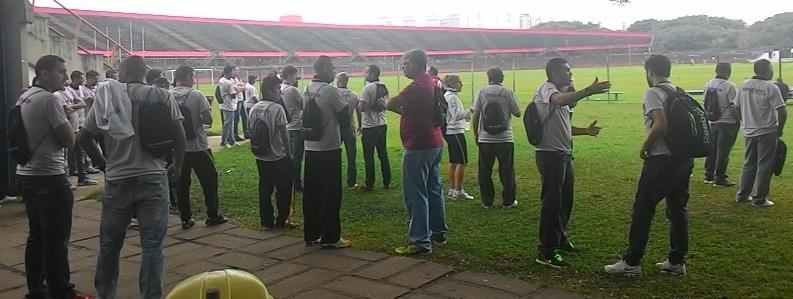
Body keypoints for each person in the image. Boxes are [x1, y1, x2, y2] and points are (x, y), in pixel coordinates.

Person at [80, 55, 186, 298]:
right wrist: (177, 165)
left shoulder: (106, 96)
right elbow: (179, 136)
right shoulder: (161, 95)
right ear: (143, 72)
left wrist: (103, 164)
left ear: (124, 72)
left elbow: (84, 138)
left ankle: (106, 294)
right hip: (153, 176)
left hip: (118, 179)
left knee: (109, 245)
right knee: (152, 246)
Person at [604, 54, 692, 275]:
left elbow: (660, 124)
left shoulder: (654, 92)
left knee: (643, 209)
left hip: (661, 159)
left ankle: (631, 262)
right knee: (677, 209)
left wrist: (645, 145)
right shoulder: (679, 91)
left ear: (650, 71)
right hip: (683, 158)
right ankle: (676, 261)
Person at [16, 55, 91, 299]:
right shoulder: (49, 100)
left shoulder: (25, 96)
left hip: (27, 174)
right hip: (49, 175)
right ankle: (62, 291)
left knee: (37, 235)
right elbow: (70, 140)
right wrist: (68, 117)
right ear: (44, 73)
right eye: (61, 71)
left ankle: (36, 290)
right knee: (57, 239)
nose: (66, 77)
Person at [534, 58, 607, 269]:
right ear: (555, 73)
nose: (571, 73)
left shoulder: (562, 99)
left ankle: (560, 238)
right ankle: (546, 251)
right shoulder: (547, 89)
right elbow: (559, 100)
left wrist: (585, 131)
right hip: (550, 156)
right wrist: (587, 91)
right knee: (552, 204)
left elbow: (565, 126)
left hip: (563, 155)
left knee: (565, 200)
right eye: (567, 71)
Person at [387, 49, 447, 255]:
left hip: (418, 145)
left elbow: (391, 103)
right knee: (433, 189)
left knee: (416, 193)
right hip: (434, 141)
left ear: (416, 64)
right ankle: (437, 231)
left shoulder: (418, 85)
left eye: (405, 63)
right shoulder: (431, 82)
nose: (403, 67)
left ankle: (420, 240)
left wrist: (398, 109)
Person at [302, 56, 351, 249]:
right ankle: (331, 237)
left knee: (312, 193)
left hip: (311, 148)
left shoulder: (307, 89)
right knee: (331, 194)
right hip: (329, 148)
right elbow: (345, 117)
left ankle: (311, 233)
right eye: (331, 68)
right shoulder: (331, 91)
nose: (333, 71)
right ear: (322, 68)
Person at [170, 66, 227, 229]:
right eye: (193, 77)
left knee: (182, 184)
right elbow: (208, 119)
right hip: (199, 146)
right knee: (209, 182)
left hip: (178, 149)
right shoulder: (197, 95)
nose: (194, 80)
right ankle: (213, 215)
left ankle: (185, 218)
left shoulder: (168, 95)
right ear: (188, 76)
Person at [734, 59, 787, 207]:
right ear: (765, 70)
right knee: (764, 164)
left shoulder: (743, 85)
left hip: (749, 131)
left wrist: (744, 121)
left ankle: (743, 195)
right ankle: (759, 198)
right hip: (766, 130)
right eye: (771, 69)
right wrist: (780, 128)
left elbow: (735, 106)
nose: (772, 71)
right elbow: (782, 110)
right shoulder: (770, 87)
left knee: (749, 163)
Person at [249, 72, 297, 229]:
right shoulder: (277, 109)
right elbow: (284, 135)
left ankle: (266, 221)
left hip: (261, 156)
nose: (280, 92)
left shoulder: (254, 108)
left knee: (264, 189)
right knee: (283, 190)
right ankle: (282, 219)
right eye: (278, 89)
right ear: (269, 90)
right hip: (278, 157)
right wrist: (289, 154)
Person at [471, 68, 521, 208]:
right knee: (507, 170)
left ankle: (487, 201)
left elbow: (475, 116)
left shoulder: (481, 92)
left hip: (485, 139)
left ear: (488, 77)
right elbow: (518, 113)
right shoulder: (507, 92)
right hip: (505, 138)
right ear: (502, 78)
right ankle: (508, 201)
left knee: (484, 171)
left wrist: (476, 134)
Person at [703, 63, 739, 187]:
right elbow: (734, 106)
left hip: (712, 121)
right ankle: (720, 177)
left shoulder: (708, 84)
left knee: (712, 150)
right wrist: (738, 119)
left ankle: (709, 175)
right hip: (727, 122)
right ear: (728, 71)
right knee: (723, 151)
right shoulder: (730, 86)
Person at [357, 65, 392, 191]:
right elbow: (386, 104)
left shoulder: (367, 88)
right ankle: (387, 181)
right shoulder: (384, 86)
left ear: (371, 74)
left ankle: (369, 183)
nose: (363, 74)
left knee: (369, 156)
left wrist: (359, 103)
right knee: (383, 154)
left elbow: (361, 108)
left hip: (369, 126)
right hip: (382, 124)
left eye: (365, 72)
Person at [62, 71, 97, 187]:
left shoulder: (73, 91)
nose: (82, 81)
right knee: (65, 153)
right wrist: (73, 106)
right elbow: (67, 109)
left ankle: (82, 177)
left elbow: (82, 104)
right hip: (68, 126)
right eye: (80, 79)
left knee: (79, 151)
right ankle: (70, 175)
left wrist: (72, 106)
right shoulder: (60, 94)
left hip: (78, 124)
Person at [442, 74, 473, 200]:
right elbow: (456, 115)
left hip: (451, 132)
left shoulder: (448, 96)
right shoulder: (452, 98)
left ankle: (452, 188)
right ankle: (458, 190)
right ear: (453, 84)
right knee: (461, 161)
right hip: (455, 131)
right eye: (459, 82)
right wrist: (471, 111)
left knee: (453, 161)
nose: (461, 85)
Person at [281, 65, 306, 192]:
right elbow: (303, 106)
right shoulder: (293, 90)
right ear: (290, 75)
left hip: (285, 127)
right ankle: (297, 183)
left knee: (287, 156)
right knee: (297, 157)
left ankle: (288, 181)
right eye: (295, 75)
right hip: (296, 127)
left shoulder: (280, 89)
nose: (296, 77)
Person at [336, 72, 361, 189]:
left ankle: (334, 180)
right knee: (351, 156)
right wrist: (360, 125)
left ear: (339, 80)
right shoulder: (354, 95)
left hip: (336, 129)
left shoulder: (333, 93)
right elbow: (359, 112)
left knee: (335, 155)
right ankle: (351, 182)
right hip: (350, 128)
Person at [218, 66, 245, 148]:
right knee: (228, 124)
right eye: (233, 71)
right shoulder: (228, 83)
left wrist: (237, 88)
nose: (234, 73)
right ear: (229, 72)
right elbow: (233, 94)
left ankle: (232, 140)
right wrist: (240, 89)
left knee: (230, 124)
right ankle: (224, 142)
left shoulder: (222, 80)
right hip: (229, 104)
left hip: (225, 104)